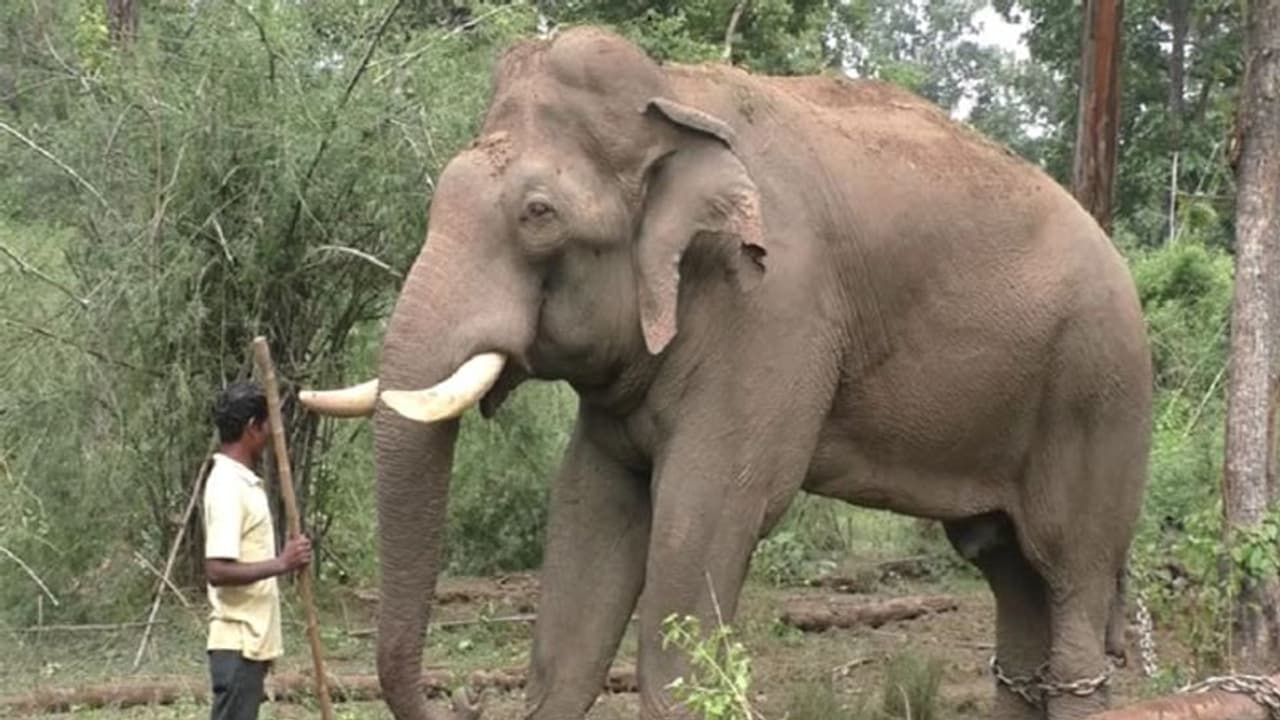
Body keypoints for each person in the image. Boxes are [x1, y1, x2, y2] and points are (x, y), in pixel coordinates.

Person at [203, 380, 312, 720]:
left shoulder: (242, 482)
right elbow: (217, 570)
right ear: (253, 428)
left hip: (250, 645)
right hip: (237, 644)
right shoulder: (226, 486)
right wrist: (283, 562)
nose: (271, 436)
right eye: (269, 426)